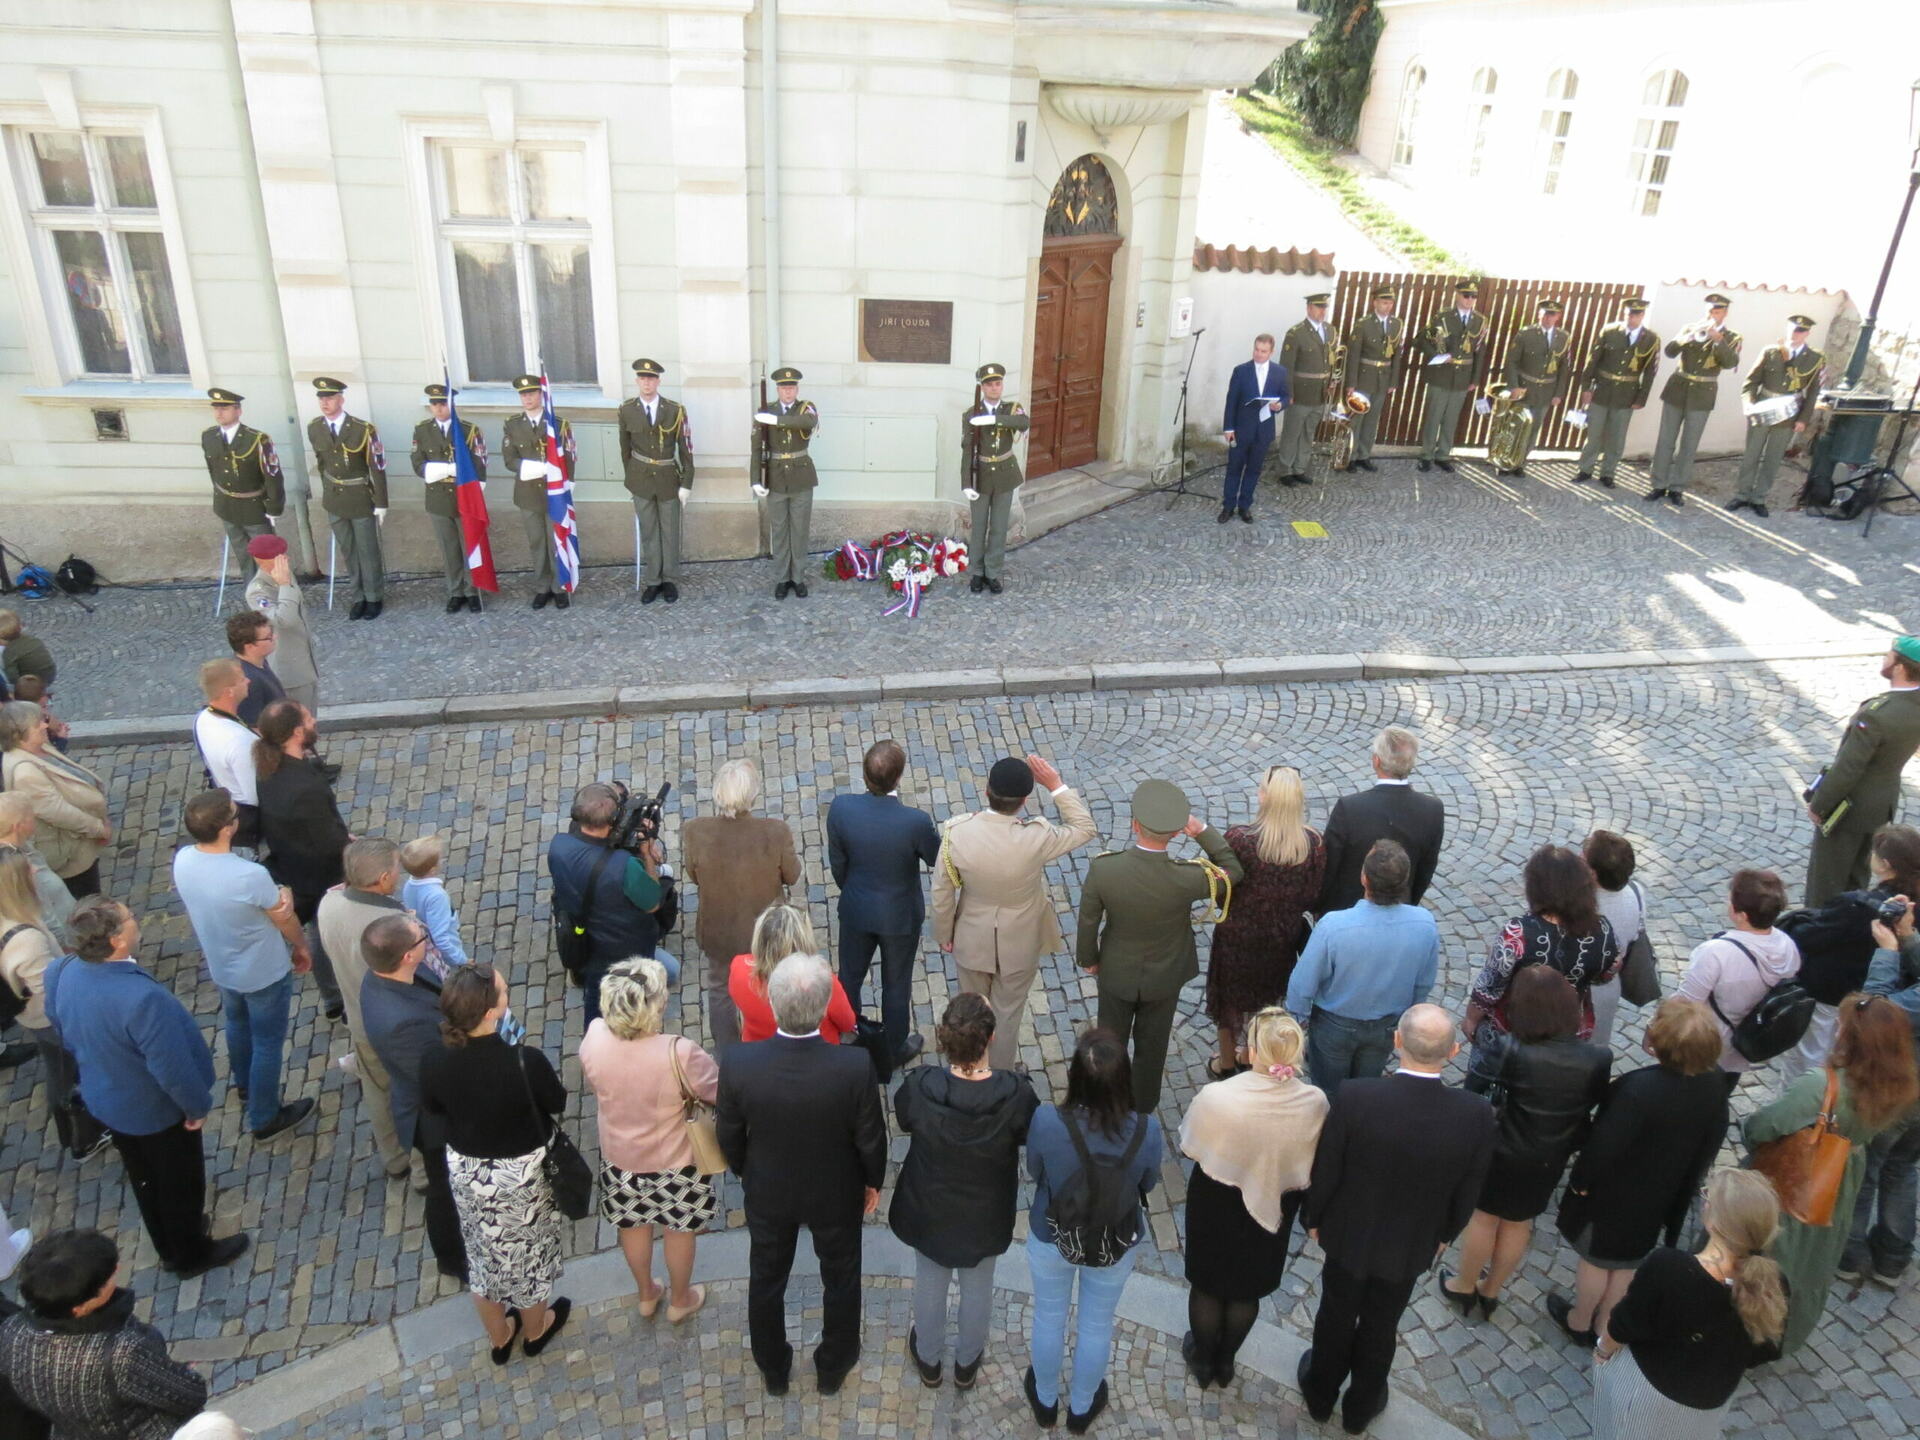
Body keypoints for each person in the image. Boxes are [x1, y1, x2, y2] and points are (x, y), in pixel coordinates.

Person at [1297, 1005, 1494, 1435]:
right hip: (1409, 1245)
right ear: (1454, 1051)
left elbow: (1327, 1167)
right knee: (1382, 1325)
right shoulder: (1475, 1114)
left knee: (1334, 1313)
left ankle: (1319, 1392)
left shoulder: (1356, 1097)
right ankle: (1361, 1406)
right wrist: (1443, 1236)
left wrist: (1314, 1216)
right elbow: (1468, 1191)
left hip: (1348, 1235)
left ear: (1397, 1041)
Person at [44, 898, 249, 1277]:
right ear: (118, 941)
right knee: (180, 1182)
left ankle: (166, 1244)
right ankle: (190, 1254)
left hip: (106, 1097)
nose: (136, 921)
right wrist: (195, 1107)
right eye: (129, 919)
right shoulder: (142, 1000)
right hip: (153, 1109)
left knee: (144, 1176)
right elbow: (171, 1067)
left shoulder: (61, 970)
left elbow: (60, 1026)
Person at [716, 953, 888, 1396]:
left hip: (769, 1190)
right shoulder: (853, 1068)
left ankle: (773, 1368)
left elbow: (729, 1135)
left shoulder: (739, 1064)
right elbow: (871, 1137)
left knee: (767, 1279)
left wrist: (747, 1173)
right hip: (836, 1191)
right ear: (825, 1005)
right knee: (842, 1276)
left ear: (772, 1006)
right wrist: (873, 1181)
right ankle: (834, 1365)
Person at [1547, 998, 1731, 1346]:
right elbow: (1711, 1142)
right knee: (1628, 1262)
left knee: (1596, 1260)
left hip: (1614, 1195)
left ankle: (1579, 1320)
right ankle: (1606, 1325)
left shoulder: (1638, 1089)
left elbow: (1603, 1145)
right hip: (1661, 1194)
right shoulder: (1715, 1085)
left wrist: (1580, 1183)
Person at [1743, 992, 1918, 1355]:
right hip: (1843, 1174)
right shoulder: (1897, 1088)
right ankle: (1791, 1325)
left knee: (1777, 1250)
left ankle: (1751, 1325)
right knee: (1816, 1254)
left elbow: (1763, 1127)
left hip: (1801, 1173)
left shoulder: (1821, 1086)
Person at [420, 965, 572, 1363]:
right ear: (490, 1012)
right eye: (503, 991)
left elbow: (433, 1107)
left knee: (482, 1257)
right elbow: (556, 1102)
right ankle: (535, 1330)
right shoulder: (525, 1062)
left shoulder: (433, 1057)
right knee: (530, 1258)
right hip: (518, 1177)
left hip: (468, 1172)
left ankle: (500, 1336)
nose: (508, 994)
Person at [1440, 968, 1609, 1321]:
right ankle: (1491, 1291)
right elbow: (1591, 1105)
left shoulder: (1509, 1048)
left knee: (1484, 1218)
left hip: (1502, 1151)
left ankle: (1464, 1284)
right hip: (1550, 1157)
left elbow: (1474, 1090)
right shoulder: (1597, 1058)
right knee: (1519, 1223)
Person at [891, 993, 1039, 1389]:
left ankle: (929, 1359)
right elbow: (1028, 1134)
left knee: (930, 1280)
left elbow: (905, 1118)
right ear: (990, 1039)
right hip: (985, 1210)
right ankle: (967, 1362)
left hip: (930, 1205)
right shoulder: (1016, 1094)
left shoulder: (922, 1086)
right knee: (978, 1287)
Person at [1023, 1028, 1163, 1432]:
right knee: (1096, 1324)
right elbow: (1147, 1184)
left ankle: (1045, 1400)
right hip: (1114, 1241)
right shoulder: (1146, 1130)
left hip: (1053, 1234)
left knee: (1049, 1316)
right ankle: (1081, 1409)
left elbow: (1036, 1171)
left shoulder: (1048, 1120)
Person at [1179, 1007, 1326, 1389]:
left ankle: (1203, 1358)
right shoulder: (1315, 1102)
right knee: (1247, 1288)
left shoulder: (1218, 1096)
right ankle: (1226, 1362)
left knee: (1208, 1284)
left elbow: (1191, 1144)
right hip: (1275, 1203)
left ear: (1255, 1052)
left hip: (1216, 1198)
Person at [1076, 780, 1243, 1113]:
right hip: (1165, 977)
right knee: (1153, 1049)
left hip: (1116, 971)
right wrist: (1202, 831)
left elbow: (1088, 921)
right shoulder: (1188, 878)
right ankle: (1142, 1108)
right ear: (1177, 832)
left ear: (1135, 824)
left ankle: (1105, 1103)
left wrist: (1089, 959)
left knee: (1109, 1043)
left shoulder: (1104, 869)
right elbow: (1233, 870)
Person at [1590, 1169, 1786, 1438]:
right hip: (1710, 1401)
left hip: (1648, 1392)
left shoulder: (1668, 1268)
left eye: (1708, 1198)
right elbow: (1765, 1351)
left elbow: (1624, 1324)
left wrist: (1602, 1352)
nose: (1704, 1201)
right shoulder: (1774, 1285)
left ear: (1715, 1223)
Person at [932, 752, 1096, 1071]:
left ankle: (967, 1069)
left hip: (971, 938)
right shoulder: (1038, 836)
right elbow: (1084, 828)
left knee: (969, 1013)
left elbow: (943, 891)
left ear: (986, 792)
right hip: (1019, 942)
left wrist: (944, 934)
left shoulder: (958, 833)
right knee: (1007, 1016)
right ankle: (1001, 1076)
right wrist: (1056, 785)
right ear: (1024, 801)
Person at [580, 958, 719, 1324]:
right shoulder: (679, 1052)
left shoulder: (593, 1038)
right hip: (675, 1162)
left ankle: (646, 1293)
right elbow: (716, 1090)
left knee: (633, 1226)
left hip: (620, 1158)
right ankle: (681, 1298)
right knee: (679, 1229)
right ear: (656, 1006)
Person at [172, 789, 315, 1140]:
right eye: (235, 816)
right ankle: (264, 1116)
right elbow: (284, 917)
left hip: (223, 965)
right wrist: (300, 945)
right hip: (262, 969)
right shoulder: (248, 875)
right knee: (267, 1041)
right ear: (226, 829)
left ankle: (245, 1085)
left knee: (236, 1023)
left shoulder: (184, 860)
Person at [0, 1229, 208, 1439]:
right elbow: (189, 1394)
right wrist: (184, 1374)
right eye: (107, 1280)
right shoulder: (121, 1353)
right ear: (79, 1308)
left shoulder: (12, 1333)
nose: (117, 1270)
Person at [357, 914, 466, 1280]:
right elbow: (436, 1076)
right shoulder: (400, 1021)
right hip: (432, 1118)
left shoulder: (390, 978)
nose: (426, 934)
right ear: (407, 956)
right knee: (445, 1193)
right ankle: (455, 1258)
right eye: (421, 936)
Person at [1287, 839, 1439, 1096]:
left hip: (1334, 1026)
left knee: (1328, 1093)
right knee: (1366, 1090)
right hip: (1386, 1026)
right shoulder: (1424, 924)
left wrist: (1295, 1021)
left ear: (1364, 879)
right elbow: (1423, 982)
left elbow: (1304, 982)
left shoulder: (1334, 926)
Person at [1204, 765, 1325, 1077]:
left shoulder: (1239, 840)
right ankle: (1250, 1054)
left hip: (1236, 937)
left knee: (1230, 1001)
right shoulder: (1312, 845)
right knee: (1267, 999)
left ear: (1263, 797)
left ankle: (1226, 1061)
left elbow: (1221, 892)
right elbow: (1312, 898)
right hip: (1280, 940)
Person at [826, 739, 940, 1066]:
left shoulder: (842, 808)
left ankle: (847, 1039)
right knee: (896, 983)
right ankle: (892, 1049)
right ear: (899, 777)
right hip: (899, 916)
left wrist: (852, 891)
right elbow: (934, 857)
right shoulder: (914, 821)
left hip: (856, 909)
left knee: (849, 977)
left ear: (864, 774)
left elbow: (838, 863)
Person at [1779, 823, 1920, 1084]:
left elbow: (1809, 936)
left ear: (1885, 864)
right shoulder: (1909, 909)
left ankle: (1802, 1113)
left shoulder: (1857, 907)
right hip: (1881, 1005)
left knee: (1808, 1061)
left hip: (1833, 996)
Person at [682, 758, 801, 1050]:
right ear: (753, 795)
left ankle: (727, 1053)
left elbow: (693, 875)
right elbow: (793, 875)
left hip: (719, 930)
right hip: (765, 933)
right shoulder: (775, 832)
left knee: (720, 990)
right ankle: (771, 1042)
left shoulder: (695, 831)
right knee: (771, 986)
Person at [317, 838, 415, 1181]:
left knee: (377, 1089)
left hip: (359, 1018)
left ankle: (393, 1157)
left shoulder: (328, 904)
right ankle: (421, 1169)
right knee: (411, 1094)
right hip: (398, 1024)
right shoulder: (389, 922)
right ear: (384, 879)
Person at [0, 847, 105, 1158]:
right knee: (85, 1065)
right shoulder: (26, 938)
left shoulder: (14, 916)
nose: (35, 871)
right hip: (52, 1017)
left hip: (36, 1017)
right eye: (27, 870)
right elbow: (53, 994)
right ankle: (83, 1134)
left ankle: (70, 1128)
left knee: (58, 1067)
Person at [1804, 637, 1920, 905]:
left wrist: (1820, 805)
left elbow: (1848, 768)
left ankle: (1821, 934)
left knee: (1827, 883)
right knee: (1859, 876)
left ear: (1900, 668)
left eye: (1888, 656)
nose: (1884, 660)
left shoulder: (1877, 714)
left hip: (1848, 808)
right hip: (1882, 806)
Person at [1465, 843, 1618, 1046]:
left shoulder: (1517, 933)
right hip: (1570, 1031)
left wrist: (1471, 1019)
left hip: (1514, 1031)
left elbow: (1491, 983)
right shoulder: (1603, 929)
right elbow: (1602, 976)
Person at [254, 700, 348, 1018]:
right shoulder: (305, 787)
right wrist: (348, 845)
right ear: (297, 732)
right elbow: (327, 840)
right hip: (319, 873)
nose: (314, 722)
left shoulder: (270, 768)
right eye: (309, 719)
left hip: (292, 861)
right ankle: (336, 998)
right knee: (323, 936)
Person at [547, 783, 670, 1025]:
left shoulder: (558, 847)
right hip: (623, 948)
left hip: (586, 942)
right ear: (614, 817)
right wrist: (645, 854)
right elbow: (653, 903)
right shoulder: (624, 867)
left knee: (594, 999)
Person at [1848, 900, 1920, 1283]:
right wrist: (1908, 937)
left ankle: (1849, 1252)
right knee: (1903, 1164)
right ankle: (1892, 1257)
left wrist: (1888, 953)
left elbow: (1873, 1012)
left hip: (1903, 1089)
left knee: (1867, 1165)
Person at [1674, 868, 1801, 1079]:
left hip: (1704, 1047)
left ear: (1741, 915)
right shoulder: (1787, 945)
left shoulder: (1715, 953)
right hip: (1740, 1048)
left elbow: (1685, 1004)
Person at [1315, 726, 1445, 915]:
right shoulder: (1432, 809)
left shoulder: (1350, 808)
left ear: (1376, 760)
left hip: (1345, 910)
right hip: (1399, 908)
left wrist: (1319, 907)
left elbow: (1329, 867)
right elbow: (1425, 870)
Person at [0, 699, 110, 898]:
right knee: (86, 895)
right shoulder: (25, 774)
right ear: (20, 734)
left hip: (78, 841)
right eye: (37, 724)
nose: (44, 725)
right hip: (70, 852)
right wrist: (98, 828)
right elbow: (59, 812)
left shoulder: (38, 746)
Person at [1645, 293, 1741, 506]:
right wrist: (1685, 338)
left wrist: (1719, 341)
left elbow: (1729, 362)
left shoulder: (1732, 337)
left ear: (1725, 313)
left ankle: (1677, 488)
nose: (1712, 315)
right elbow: (1670, 352)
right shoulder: (1689, 328)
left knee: (1689, 444)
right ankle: (1658, 484)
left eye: (1716, 311)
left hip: (1703, 393)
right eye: (1709, 311)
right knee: (1665, 440)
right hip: (1678, 388)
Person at [307, 375, 387, 620]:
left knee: (367, 549)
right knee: (348, 550)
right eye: (321, 398)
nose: (325, 403)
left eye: (329, 397)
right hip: (335, 498)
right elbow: (322, 464)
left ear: (341, 399)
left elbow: (377, 466)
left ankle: (374, 596)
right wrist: (328, 492)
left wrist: (381, 502)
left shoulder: (362, 429)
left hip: (360, 496)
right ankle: (358, 595)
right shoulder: (316, 427)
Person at [1729, 315, 1826, 516]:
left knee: (1773, 457)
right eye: (1793, 328)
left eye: (1801, 330)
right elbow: (1751, 382)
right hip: (1763, 407)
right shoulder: (1770, 352)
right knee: (1751, 454)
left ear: (1807, 333)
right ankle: (1742, 494)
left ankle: (1759, 498)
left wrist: (1803, 419)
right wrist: (1749, 404)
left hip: (1789, 413)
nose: (1795, 333)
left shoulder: (1815, 358)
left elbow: (1813, 391)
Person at [619, 358, 694, 605]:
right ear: (637, 381)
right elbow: (625, 449)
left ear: (659, 381)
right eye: (642, 378)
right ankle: (653, 581)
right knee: (649, 531)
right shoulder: (627, 409)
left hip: (667, 478)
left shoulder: (674, 410)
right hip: (640, 479)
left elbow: (686, 448)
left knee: (670, 531)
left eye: (651, 378)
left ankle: (669, 579)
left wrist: (686, 482)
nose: (647, 382)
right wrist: (631, 480)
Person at [410, 381, 489, 614]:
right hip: (438, 497)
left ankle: (473, 591)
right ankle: (456, 592)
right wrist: (445, 470)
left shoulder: (468, 430)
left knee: (470, 546)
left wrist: (475, 488)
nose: (439, 408)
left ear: (452, 404)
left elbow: (479, 462)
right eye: (434, 404)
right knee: (449, 548)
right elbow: (417, 463)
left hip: (464, 496)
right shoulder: (422, 430)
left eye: (443, 403)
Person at [730, 903, 856, 1045]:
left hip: (759, 1050)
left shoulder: (738, 967)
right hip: (817, 1052)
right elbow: (847, 1022)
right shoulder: (821, 980)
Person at [501, 374, 574, 609]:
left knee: (557, 540)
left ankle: (560, 586)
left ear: (541, 395)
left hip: (554, 492)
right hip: (528, 492)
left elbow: (569, 455)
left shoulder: (558, 423)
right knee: (537, 541)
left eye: (531, 393)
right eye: (523, 394)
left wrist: (568, 481)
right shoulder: (513, 424)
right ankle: (542, 586)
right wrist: (534, 467)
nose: (527, 398)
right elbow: (509, 459)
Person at [1574, 298, 1660, 488]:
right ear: (1624, 313)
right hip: (1602, 391)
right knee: (1594, 434)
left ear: (1643, 315)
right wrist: (1587, 387)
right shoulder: (1609, 331)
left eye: (1637, 314)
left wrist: (1641, 397)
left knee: (1617, 437)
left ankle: (1608, 473)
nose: (1632, 317)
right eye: (1629, 313)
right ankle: (1585, 469)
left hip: (1626, 395)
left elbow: (1650, 372)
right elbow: (1592, 361)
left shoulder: (1651, 339)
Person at [751, 366, 821, 599]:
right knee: (779, 531)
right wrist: (754, 479)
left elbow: (808, 422)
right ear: (778, 389)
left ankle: (798, 578)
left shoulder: (805, 408)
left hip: (801, 478)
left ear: (797, 389)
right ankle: (782, 578)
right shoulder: (765, 410)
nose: (788, 391)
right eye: (783, 387)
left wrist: (776, 420)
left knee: (799, 531)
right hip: (775, 478)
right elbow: (756, 448)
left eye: (791, 387)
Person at [961, 362, 1031, 591]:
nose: (994, 388)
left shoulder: (1011, 409)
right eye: (989, 384)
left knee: (999, 527)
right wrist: (966, 483)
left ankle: (992, 571)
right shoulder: (972, 414)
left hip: (1004, 475)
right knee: (979, 527)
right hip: (980, 476)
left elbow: (1023, 422)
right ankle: (977, 572)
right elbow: (967, 450)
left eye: (998, 383)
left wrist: (993, 420)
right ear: (982, 387)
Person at [200, 387, 282, 568]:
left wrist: (273, 507)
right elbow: (213, 471)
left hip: (254, 507)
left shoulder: (258, 439)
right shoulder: (208, 437)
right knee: (244, 558)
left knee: (268, 557)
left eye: (225, 408)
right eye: (216, 408)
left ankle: (278, 595)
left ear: (238, 411)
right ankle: (253, 594)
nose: (219, 413)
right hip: (227, 507)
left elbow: (273, 475)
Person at [1584, 829, 1648, 1048]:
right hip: (1609, 989)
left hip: (1576, 990)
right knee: (1597, 1047)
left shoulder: (1578, 905)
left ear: (1593, 873)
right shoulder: (1637, 893)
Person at [1415, 280, 1488, 473]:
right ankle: (1426, 455)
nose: (1469, 300)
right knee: (1434, 416)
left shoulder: (1480, 320)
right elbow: (1423, 340)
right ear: (1457, 295)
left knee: (1451, 418)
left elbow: (1479, 351)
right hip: (1441, 374)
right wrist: (1437, 356)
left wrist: (1474, 379)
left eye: (1473, 296)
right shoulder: (1443, 316)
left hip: (1463, 377)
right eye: (1466, 295)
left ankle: (1443, 454)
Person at [1495, 297, 1572, 477]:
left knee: (1533, 428)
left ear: (1558, 317)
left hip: (1545, 392)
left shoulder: (1563, 337)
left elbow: (1564, 369)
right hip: (1523, 388)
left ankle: (1520, 463)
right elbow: (1511, 362)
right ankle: (1505, 461)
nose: (1548, 318)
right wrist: (1513, 386)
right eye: (1545, 314)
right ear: (1539, 314)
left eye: (1552, 315)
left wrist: (1558, 393)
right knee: (1514, 426)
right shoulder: (1525, 333)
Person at [243, 535, 319, 714]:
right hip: (289, 671)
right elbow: (284, 619)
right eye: (279, 558)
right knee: (298, 724)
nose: (286, 560)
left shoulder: (282, 574)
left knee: (310, 720)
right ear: (262, 561)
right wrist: (284, 585)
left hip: (305, 660)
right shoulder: (258, 591)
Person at [1218, 332, 1289, 522]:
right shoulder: (1241, 371)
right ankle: (1228, 506)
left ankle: (1245, 506)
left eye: (1263, 351)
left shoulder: (1279, 372)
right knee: (1234, 468)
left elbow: (1286, 396)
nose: (1258, 354)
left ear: (1271, 352)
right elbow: (1231, 401)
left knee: (1254, 469)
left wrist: (1279, 405)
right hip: (1241, 429)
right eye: (1256, 350)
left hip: (1263, 430)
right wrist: (1228, 428)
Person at [192, 660, 260, 850]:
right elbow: (255, 796)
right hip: (247, 816)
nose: (248, 681)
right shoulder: (240, 742)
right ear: (229, 691)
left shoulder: (203, 718)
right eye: (241, 679)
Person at [1273, 293, 1335, 489]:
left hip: (1319, 392)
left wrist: (1331, 381)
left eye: (1324, 307)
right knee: (1292, 433)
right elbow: (1286, 367)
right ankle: (1285, 470)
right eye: (1318, 307)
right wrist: (1288, 393)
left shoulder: (1330, 330)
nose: (1322, 311)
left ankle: (1300, 468)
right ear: (1309, 308)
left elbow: (1330, 360)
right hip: (1300, 391)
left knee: (1309, 432)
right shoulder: (1296, 333)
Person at [1339, 285, 1402, 472]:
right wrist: (1351, 383)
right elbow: (1353, 355)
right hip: (1364, 377)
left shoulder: (1396, 324)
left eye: (1390, 303)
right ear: (1375, 302)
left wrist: (1393, 381)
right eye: (1384, 302)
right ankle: (1350, 456)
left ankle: (1364, 455)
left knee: (1372, 420)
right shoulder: (1363, 324)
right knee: (1357, 418)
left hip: (1383, 378)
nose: (1388, 306)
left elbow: (1397, 354)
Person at [401, 834, 469, 969]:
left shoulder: (409, 885)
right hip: (445, 943)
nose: (442, 861)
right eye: (440, 860)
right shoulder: (437, 896)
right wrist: (462, 960)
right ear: (432, 870)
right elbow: (441, 938)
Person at [224, 611, 284, 727]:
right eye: (268, 637)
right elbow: (255, 729)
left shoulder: (259, 662)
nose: (274, 637)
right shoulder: (249, 681)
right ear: (249, 646)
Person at [0, 610, 55, 690]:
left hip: (32, 682)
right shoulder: (31, 639)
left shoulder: (9, 652)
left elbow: (12, 677)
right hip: (50, 673)